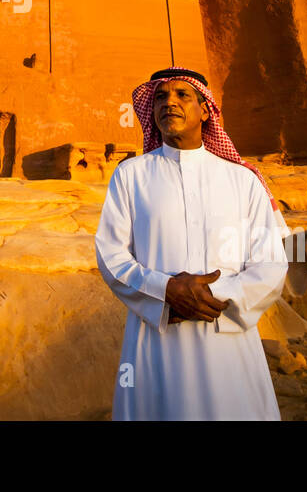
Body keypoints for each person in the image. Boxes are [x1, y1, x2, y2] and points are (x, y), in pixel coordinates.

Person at [94, 66, 290, 420]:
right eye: (160, 97)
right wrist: (166, 290)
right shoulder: (130, 176)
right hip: (156, 335)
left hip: (228, 336)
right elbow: (111, 255)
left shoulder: (243, 181)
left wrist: (211, 297)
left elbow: (272, 264)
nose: (169, 103)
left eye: (183, 95)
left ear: (205, 110)